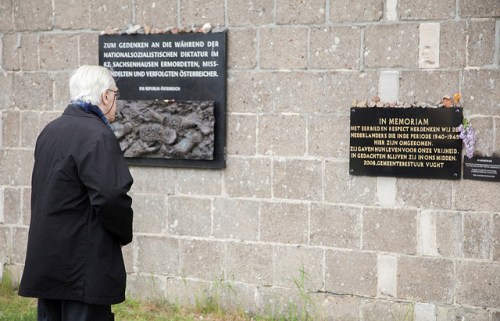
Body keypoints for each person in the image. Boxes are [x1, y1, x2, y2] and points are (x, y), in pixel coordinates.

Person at [18, 65, 134, 321]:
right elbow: (111, 197)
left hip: (49, 259)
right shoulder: (98, 135)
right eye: (115, 93)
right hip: (82, 266)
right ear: (105, 97)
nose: (116, 101)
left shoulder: (51, 130)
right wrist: (124, 233)